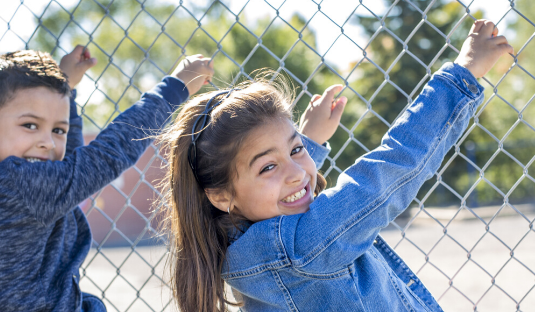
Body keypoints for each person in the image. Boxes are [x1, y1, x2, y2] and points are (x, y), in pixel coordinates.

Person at [156, 20, 512, 311]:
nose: (297, 171)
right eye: (267, 167)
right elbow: (392, 168)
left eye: (295, 150)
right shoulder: (302, 247)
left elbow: (289, 205)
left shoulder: (244, 248)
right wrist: (463, 74)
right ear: (220, 196)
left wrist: (308, 141)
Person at [0, 46, 214, 311]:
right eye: (30, 125)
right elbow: (105, 156)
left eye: (57, 130)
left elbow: (65, 173)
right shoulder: (16, 185)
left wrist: (66, 87)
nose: (48, 141)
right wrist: (175, 87)